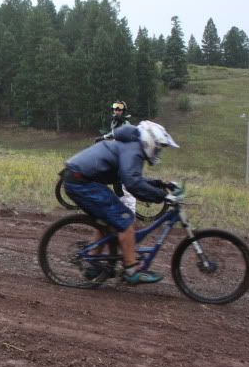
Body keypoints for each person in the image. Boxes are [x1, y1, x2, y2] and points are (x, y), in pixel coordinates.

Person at [62, 120, 180, 284]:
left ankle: (92, 264)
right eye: (158, 147)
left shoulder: (130, 146)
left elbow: (131, 178)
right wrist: (162, 196)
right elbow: (132, 183)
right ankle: (131, 270)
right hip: (81, 182)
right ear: (149, 141)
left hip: (79, 178)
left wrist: (160, 185)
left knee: (110, 219)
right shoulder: (133, 150)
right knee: (125, 220)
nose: (158, 151)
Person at [99, 100, 136, 213]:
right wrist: (104, 137)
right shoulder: (115, 121)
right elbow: (114, 134)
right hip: (118, 153)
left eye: (119, 108)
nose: (116, 110)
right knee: (116, 183)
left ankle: (130, 212)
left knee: (121, 186)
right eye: (115, 108)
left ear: (123, 111)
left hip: (125, 156)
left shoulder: (125, 123)